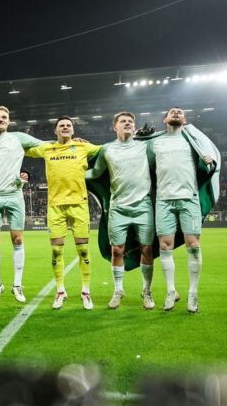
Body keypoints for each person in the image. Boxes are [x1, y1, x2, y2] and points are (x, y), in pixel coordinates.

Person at [25, 116, 101, 310]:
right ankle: (60, 291)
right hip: (55, 206)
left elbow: (107, 150)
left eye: (68, 125)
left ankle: (85, 291)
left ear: (73, 130)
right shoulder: (47, 148)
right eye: (62, 126)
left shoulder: (84, 147)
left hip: (79, 204)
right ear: (56, 131)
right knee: (57, 250)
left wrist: (89, 143)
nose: (65, 127)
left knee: (83, 250)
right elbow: (23, 148)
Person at [148, 107, 219, 313]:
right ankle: (171, 292)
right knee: (165, 247)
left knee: (194, 245)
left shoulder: (192, 140)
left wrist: (209, 163)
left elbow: (208, 162)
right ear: (165, 119)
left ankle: (193, 294)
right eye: (172, 112)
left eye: (180, 112)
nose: (177, 113)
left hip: (189, 198)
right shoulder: (155, 142)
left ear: (185, 119)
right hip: (164, 200)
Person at [85, 112, 156, 309]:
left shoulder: (144, 146)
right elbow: (96, 173)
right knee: (117, 250)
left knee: (147, 249)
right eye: (123, 121)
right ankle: (118, 291)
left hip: (143, 206)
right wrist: (72, 172)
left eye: (130, 122)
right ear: (114, 127)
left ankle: (147, 292)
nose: (127, 123)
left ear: (134, 127)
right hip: (118, 208)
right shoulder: (107, 149)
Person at [0, 106, 43, 304]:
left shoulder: (19, 138)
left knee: (18, 239)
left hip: (14, 195)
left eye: (4, 117)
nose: (0, 119)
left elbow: (45, 145)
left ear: (8, 121)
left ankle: (17, 285)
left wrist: (69, 143)